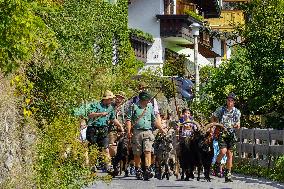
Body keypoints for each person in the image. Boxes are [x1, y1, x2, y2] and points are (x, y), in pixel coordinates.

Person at [126, 91, 165, 180]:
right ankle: (138, 169)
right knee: (137, 152)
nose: (149, 101)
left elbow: (153, 120)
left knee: (148, 150)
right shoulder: (134, 107)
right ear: (143, 99)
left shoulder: (150, 107)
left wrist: (161, 129)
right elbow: (128, 119)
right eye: (147, 99)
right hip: (137, 132)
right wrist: (128, 131)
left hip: (148, 131)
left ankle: (147, 169)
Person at [86, 90, 124, 173]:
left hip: (103, 129)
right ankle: (92, 165)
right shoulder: (95, 105)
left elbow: (113, 118)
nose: (111, 101)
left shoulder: (110, 108)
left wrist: (120, 126)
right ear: (106, 99)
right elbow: (89, 114)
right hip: (93, 129)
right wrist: (100, 114)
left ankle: (108, 166)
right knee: (92, 148)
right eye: (110, 99)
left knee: (105, 148)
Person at [211, 93, 241, 182]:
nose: (230, 102)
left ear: (234, 102)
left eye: (232, 100)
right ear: (226, 100)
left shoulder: (237, 112)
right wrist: (216, 125)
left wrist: (236, 125)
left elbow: (238, 124)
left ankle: (228, 174)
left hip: (231, 135)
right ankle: (217, 164)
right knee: (223, 151)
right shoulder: (221, 110)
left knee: (229, 154)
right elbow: (213, 118)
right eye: (228, 100)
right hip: (222, 133)